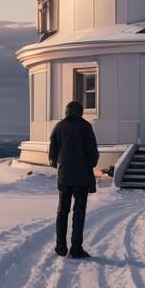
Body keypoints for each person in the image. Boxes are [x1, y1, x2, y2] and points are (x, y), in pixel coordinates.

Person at [48, 100, 100, 258]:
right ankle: (76, 248)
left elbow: (52, 154)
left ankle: (60, 247)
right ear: (80, 112)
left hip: (64, 176)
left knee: (62, 211)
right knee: (79, 212)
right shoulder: (85, 126)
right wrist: (90, 163)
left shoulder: (59, 127)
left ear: (67, 111)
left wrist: (58, 164)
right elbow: (93, 153)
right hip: (82, 177)